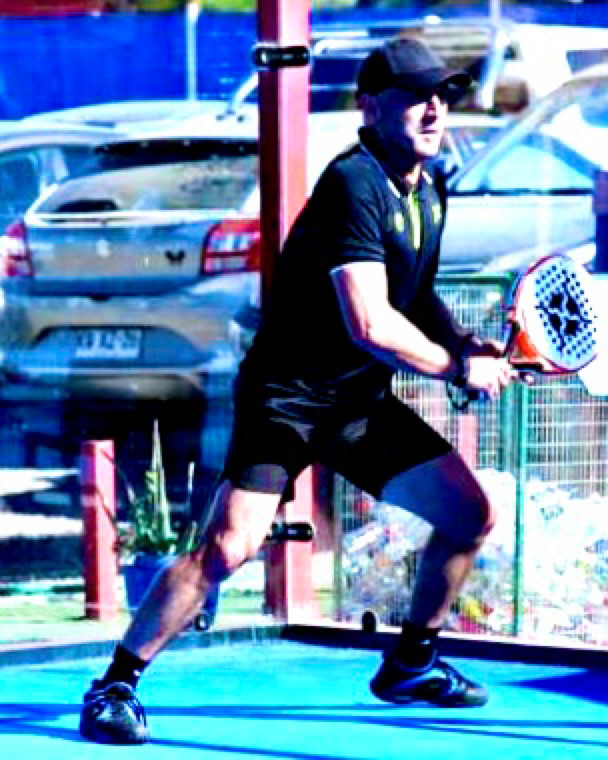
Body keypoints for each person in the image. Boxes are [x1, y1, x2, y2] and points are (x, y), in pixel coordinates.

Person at [79, 37, 517, 745]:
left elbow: (414, 295)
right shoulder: (354, 184)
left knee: (470, 512)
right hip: (287, 400)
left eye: (442, 94)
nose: (434, 108)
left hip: (356, 406)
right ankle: (114, 685)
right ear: (371, 107)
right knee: (228, 549)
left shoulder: (427, 190)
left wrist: (464, 341)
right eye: (414, 96)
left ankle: (411, 662)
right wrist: (457, 368)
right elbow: (371, 323)